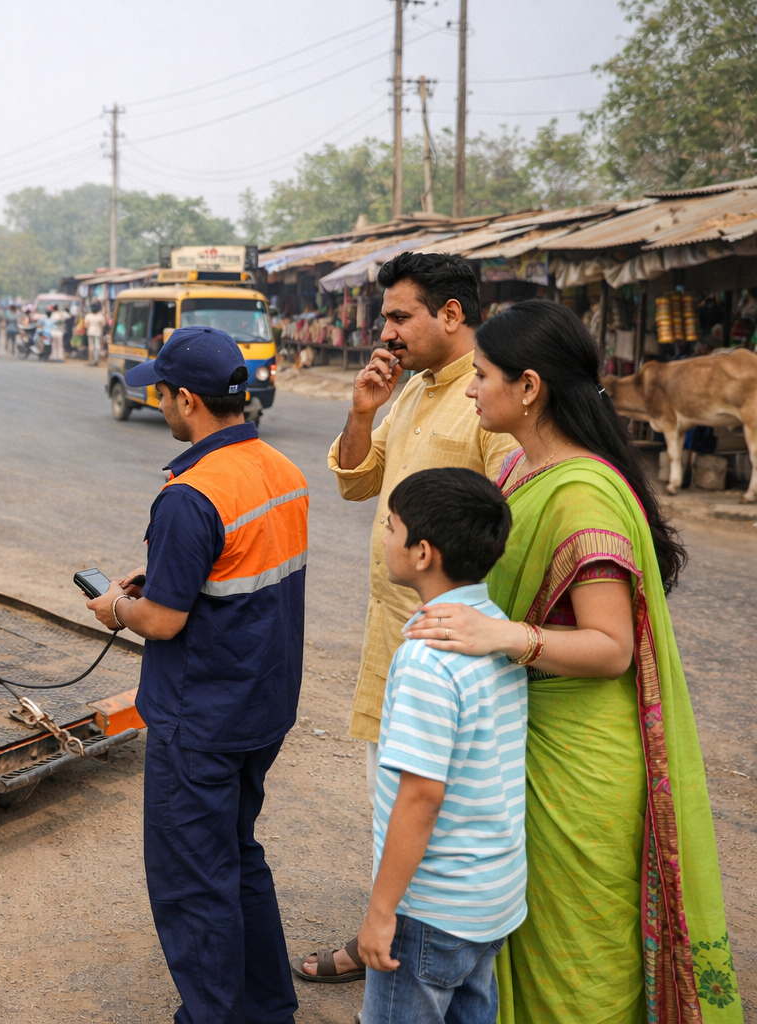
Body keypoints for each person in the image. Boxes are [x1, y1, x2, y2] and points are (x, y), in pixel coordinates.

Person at [406, 300, 741, 1024]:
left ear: (529, 387)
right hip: (529, 740)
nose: (471, 389)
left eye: (482, 375)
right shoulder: (523, 467)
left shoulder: (582, 495)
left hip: (579, 763)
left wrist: (505, 637)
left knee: (579, 963)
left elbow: (611, 647)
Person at [299, 252, 515, 984]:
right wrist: (362, 411)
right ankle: (386, 939)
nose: (384, 332)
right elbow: (356, 482)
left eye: (399, 316)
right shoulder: (414, 390)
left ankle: (405, 959)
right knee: (388, 802)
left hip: (451, 653)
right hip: (392, 645)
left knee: (430, 813)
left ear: (450, 314)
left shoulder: (488, 399)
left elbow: (507, 530)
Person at [86, 326, 307, 1024]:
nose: (159, 404)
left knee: (192, 877)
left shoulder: (191, 495)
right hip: (262, 706)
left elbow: (161, 621)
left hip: (201, 718)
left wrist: (117, 607)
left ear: (187, 400)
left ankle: (213, 1014)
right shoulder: (281, 469)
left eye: (162, 393)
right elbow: (239, 569)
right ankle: (267, 1009)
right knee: (238, 855)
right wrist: (165, 573)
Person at [358, 467, 526, 1024]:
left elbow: (422, 795)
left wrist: (382, 911)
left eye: (391, 526)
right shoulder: (492, 626)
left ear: (423, 553)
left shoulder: (428, 658)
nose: (384, 536)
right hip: (491, 896)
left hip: (432, 907)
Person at [85, 300, 107, 365]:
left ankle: (91, 360)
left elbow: (86, 325)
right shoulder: (100, 316)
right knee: (97, 346)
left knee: (91, 346)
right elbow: (104, 324)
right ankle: (96, 360)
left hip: (90, 332)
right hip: (98, 332)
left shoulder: (88, 315)